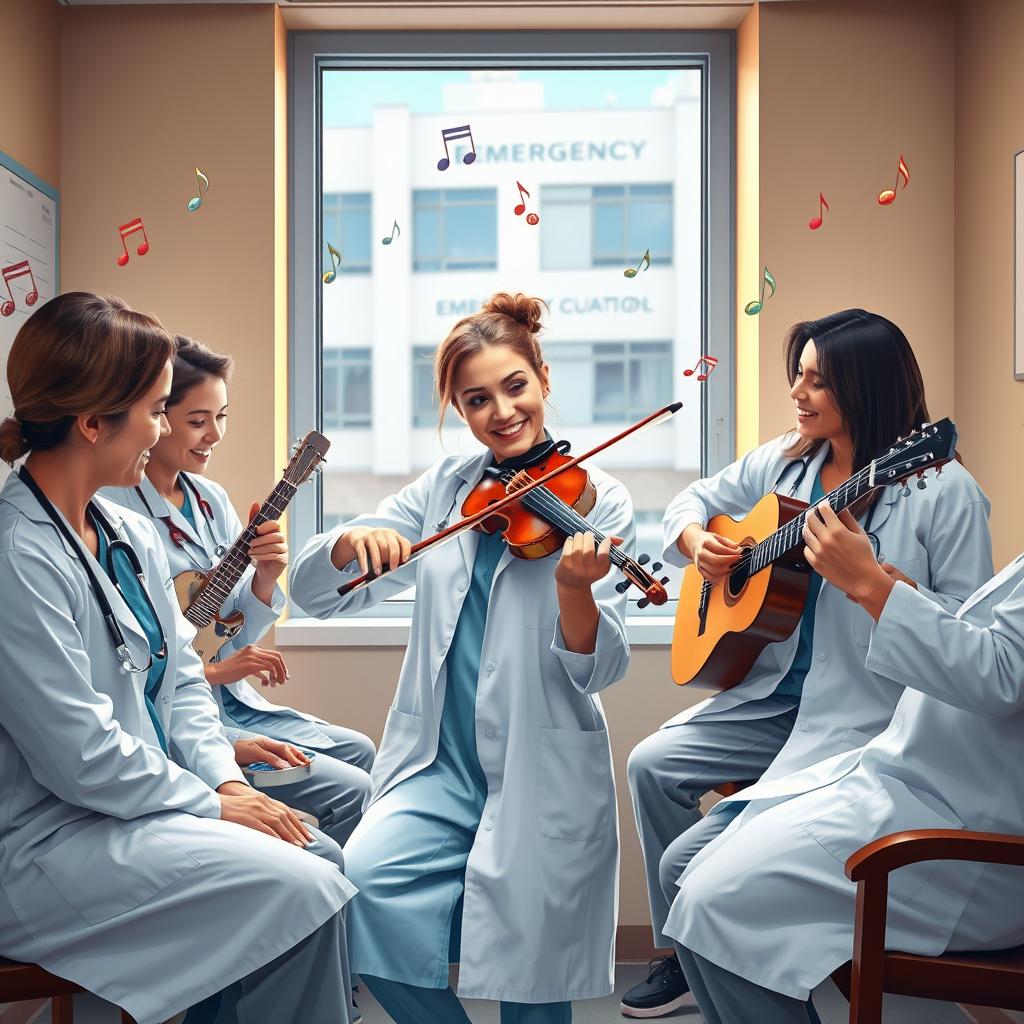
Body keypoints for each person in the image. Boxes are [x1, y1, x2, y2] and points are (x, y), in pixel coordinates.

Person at [622, 309, 993, 1018]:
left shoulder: (941, 492)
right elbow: (688, 502)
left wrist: (889, 589)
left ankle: (733, 949)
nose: (798, 391)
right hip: (772, 696)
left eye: (818, 381)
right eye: (798, 374)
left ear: (866, 388)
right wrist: (700, 541)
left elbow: (968, 641)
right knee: (650, 764)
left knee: (698, 870)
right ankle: (688, 956)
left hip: (867, 716)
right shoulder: (789, 462)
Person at [0, 292, 356, 1024]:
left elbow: (185, 684)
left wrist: (225, 779)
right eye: (159, 411)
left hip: (126, 815)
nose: (166, 431)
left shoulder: (123, 528)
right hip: (50, 839)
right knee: (304, 889)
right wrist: (213, 802)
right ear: (93, 422)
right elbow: (81, 757)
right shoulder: (18, 556)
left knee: (320, 857)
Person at [290, 292, 634, 1024]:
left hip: (541, 767)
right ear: (459, 409)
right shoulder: (447, 490)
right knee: (365, 892)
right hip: (435, 765)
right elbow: (315, 594)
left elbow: (598, 668)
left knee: (532, 982)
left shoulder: (599, 499)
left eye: (515, 387)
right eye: (477, 400)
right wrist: (352, 544)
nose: (502, 412)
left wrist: (575, 590)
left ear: (543, 378)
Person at [667, 501, 1024, 1024]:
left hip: (955, 833)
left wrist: (871, 588)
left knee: (709, 901)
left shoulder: (948, 491)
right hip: (898, 777)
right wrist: (906, 598)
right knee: (683, 868)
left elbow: (1001, 679)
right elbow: (1000, 656)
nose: (800, 413)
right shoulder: (787, 471)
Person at [105, 334, 374, 846]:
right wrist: (217, 670)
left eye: (221, 417)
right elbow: (136, 659)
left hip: (230, 699)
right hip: (179, 707)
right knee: (352, 786)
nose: (215, 434)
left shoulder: (210, 498)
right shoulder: (118, 511)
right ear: (159, 417)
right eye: (197, 420)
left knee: (360, 749)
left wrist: (267, 577)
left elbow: (224, 627)